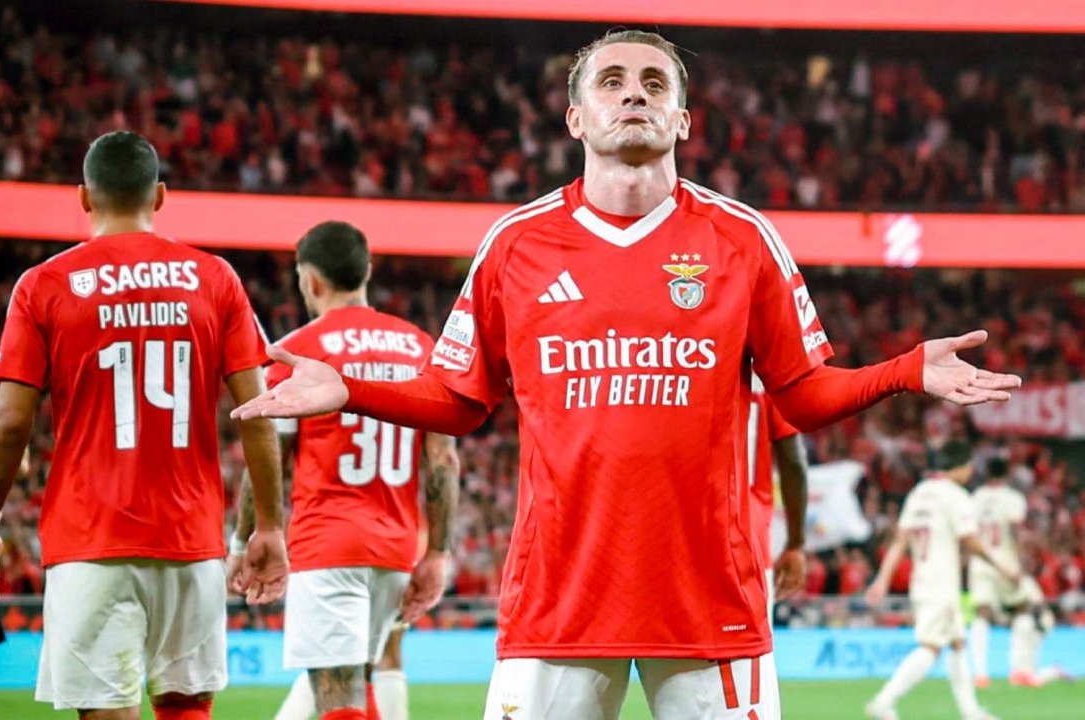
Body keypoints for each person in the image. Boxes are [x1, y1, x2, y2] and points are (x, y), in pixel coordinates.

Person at [232, 30, 1020, 719]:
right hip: (557, 602)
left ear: (683, 119)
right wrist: (351, 391)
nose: (633, 94)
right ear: (576, 117)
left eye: (653, 83)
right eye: (611, 82)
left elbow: (804, 396)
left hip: (711, 602)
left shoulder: (743, 240)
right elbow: (461, 401)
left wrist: (903, 371)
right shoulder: (517, 244)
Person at [0, 131, 288, 720]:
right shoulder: (216, 278)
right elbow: (258, 411)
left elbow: (9, 425)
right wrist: (270, 525)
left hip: (90, 538)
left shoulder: (43, 285)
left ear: (84, 197)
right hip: (191, 540)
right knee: (186, 708)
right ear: (159, 196)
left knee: (107, 710)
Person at [227, 222, 460, 720]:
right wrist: (438, 552)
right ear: (367, 272)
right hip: (396, 550)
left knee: (338, 697)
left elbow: (268, 454)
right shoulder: (420, 347)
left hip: (328, 545)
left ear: (309, 280)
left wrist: (243, 539)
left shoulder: (297, 351)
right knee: (356, 683)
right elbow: (442, 458)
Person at [864, 443, 1019, 720]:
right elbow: (970, 540)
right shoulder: (955, 496)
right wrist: (1001, 565)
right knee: (931, 646)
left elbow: (900, 541)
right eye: (969, 467)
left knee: (957, 643)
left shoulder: (919, 493)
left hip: (922, 580)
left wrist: (882, 579)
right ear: (960, 467)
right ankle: (883, 702)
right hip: (941, 583)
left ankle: (971, 712)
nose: (970, 472)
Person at [747, 376, 810, 618]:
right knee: (749, 641)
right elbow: (794, 461)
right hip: (749, 542)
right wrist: (795, 544)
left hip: (687, 545)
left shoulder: (684, 374)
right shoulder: (767, 379)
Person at [966, 455, 1031, 688]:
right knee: (1022, 608)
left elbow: (968, 533)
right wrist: (1021, 564)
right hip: (1005, 560)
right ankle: (1018, 670)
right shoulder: (1013, 498)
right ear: (1007, 473)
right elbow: (1016, 531)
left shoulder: (975, 498)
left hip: (980, 561)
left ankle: (980, 674)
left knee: (981, 613)